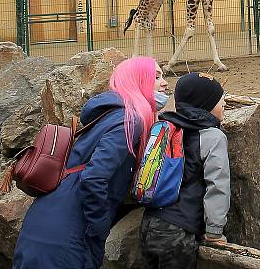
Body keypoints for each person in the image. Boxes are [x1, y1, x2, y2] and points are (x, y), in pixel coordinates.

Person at [13, 56, 168, 269]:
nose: (165, 83)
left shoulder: (108, 116)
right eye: (156, 77)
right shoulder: (130, 120)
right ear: (137, 81)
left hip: (45, 223)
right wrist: (99, 226)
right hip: (67, 233)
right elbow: (94, 177)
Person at [140, 72, 230, 269]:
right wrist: (214, 231)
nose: (224, 102)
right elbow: (218, 185)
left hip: (150, 223)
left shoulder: (168, 127)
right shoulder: (213, 136)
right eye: (219, 98)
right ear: (204, 103)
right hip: (180, 229)